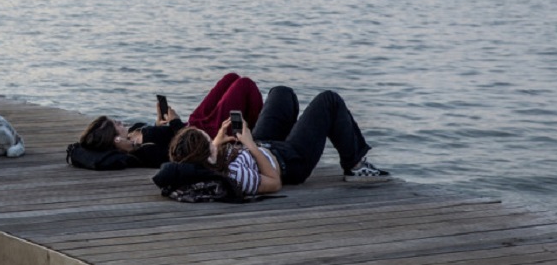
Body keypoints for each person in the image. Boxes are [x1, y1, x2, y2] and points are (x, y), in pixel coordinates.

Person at [155, 86, 390, 198]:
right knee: (329, 100)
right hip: (290, 162)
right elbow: (274, 182)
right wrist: (250, 145)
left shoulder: (206, 161)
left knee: (281, 93)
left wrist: (220, 139)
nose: (212, 139)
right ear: (206, 154)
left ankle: (301, 132)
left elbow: (209, 155)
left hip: (263, 146)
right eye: (208, 140)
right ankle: (355, 165)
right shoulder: (235, 176)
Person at [71, 73, 263, 169]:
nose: (121, 122)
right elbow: (179, 152)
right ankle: (253, 132)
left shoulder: (134, 134)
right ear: (116, 140)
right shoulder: (145, 152)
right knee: (244, 85)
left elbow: (161, 133)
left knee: (231, 78)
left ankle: (248, 130)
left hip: (193, 124)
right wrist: (175, 123)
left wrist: (158, 123)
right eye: (117, 125)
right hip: (203, 136)